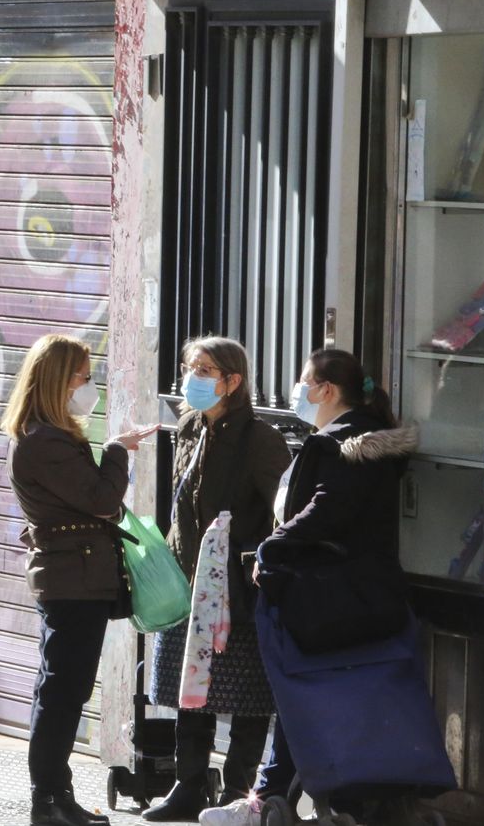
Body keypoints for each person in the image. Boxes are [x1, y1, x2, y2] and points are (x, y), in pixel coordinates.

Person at [199, 348, 418, 826]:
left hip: (326, 596)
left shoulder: (338, 444)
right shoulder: (370, 441)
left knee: (301, 696)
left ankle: (268, 799)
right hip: (366, 594)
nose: (299, 391)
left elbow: (326, 510)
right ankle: (287, 795)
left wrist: (270, 548)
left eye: (304, 381)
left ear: (326, 390)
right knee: (327, 699)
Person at [4, 334, 157, 826]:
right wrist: (116, 451)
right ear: (57, 380)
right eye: (83, 377)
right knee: (62, 691)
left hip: (76, 575)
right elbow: (101, 500)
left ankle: (56, 797)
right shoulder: (44, 442)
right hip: (72, 580)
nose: (89, 387)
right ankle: (48, 800)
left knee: (62, 689)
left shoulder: (47, 436)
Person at [143, 337, 290, 822]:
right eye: (190, 367)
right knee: (191, 686)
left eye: (206, 370)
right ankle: (188, 784)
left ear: (233, 381)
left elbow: (281, 510)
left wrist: (258, 561)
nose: (193, 378)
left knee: (245, 690)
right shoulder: (188, 427)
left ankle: (238, 791)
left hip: (237, 586)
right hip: (190, 578)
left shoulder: (261, 439)